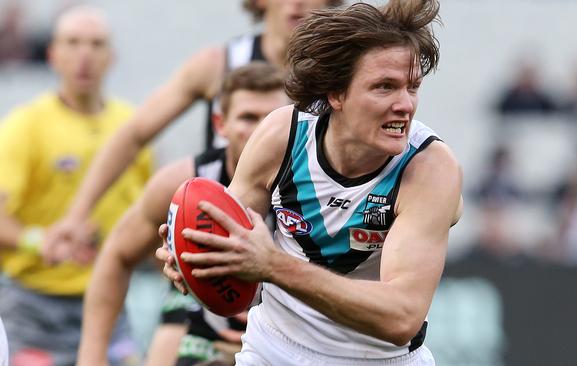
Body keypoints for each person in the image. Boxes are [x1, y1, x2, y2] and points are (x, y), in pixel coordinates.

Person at [158, 0, 463, 364]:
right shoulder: (281, 135)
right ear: (335, 93)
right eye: (384, 87)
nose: (405, 105)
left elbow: (401, 317)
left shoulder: (428, 168)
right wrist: (195, 263)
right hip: (273, 350)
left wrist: (272, 265)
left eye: (412, 87)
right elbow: (234, 253)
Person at [46, 0, 342, 258]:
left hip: (304, 249)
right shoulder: (219, 64)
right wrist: (77, 215)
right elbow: (134, 134)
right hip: (221, 241)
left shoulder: (342, 79)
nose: (297, 2)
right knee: (174, 321)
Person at [76, 63, 288, 366]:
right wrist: (91, 357)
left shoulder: (313, 185)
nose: (259, 130)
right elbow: (117, 254)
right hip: (203, 313)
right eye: (248, 117)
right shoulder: (182, 184)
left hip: (288, 320)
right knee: (180, 309)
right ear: (220, 124)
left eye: (270, 119)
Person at [0, 5, 151, 365]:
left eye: (96, 44)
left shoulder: (133, 127)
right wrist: (42, 241)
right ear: (53, 55)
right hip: (35, 307)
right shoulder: (24, 126)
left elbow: (147, 214)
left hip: (110, 302)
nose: (84, 55)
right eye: (72, 43)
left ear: (111, 56)